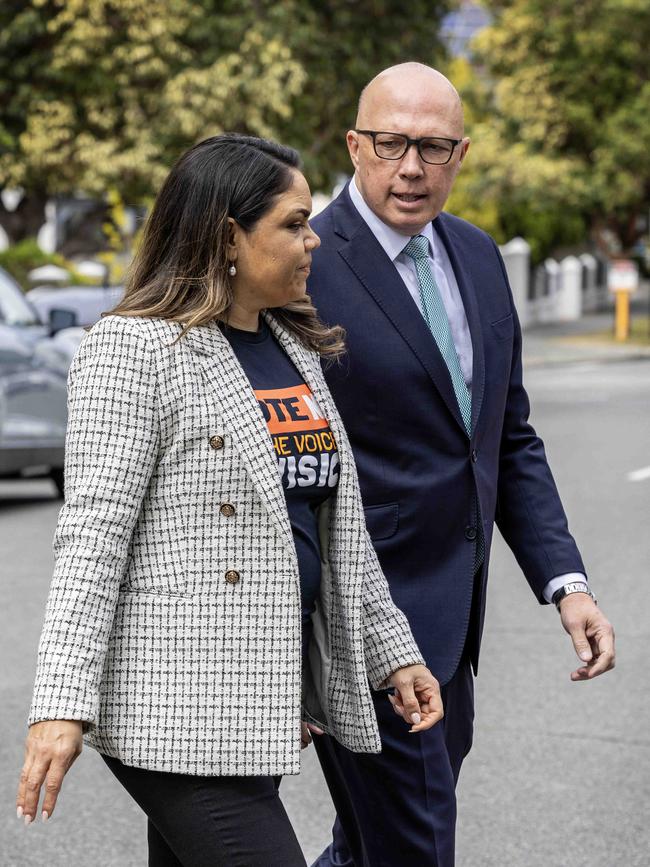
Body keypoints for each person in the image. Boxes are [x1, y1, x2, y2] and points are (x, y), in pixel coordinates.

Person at [16, 133, 444, 867]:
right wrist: (59, 704)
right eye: (292, 221)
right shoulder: (134, 348)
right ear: (228, 236)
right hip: (175, 704)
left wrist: (391, 651)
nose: (313, 240)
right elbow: (91, 534)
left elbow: (335, 527)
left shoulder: (293, 346)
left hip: (257, 698)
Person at [306, 63, 616, 867]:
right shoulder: (305, 262)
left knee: (371, 843)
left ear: (461, 154)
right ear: (355, 145)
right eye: (391, 143)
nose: (412, 165)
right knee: (414, 841)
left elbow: (505, 436)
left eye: (434, 147)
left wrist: (566, 582)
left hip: (455, 626)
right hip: (361, 627)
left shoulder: (477, 256)